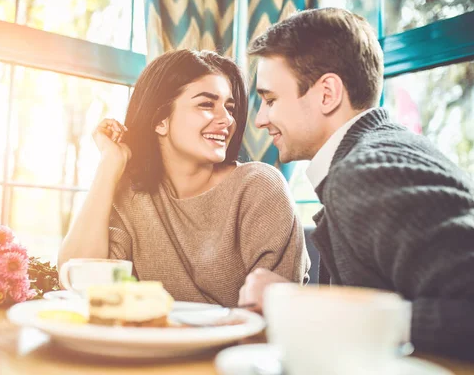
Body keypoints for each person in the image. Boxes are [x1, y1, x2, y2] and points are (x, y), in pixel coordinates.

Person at [238, 7, 474, 360]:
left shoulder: (368, 171)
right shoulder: (377, 154)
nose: (259, 119)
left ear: (327, 93)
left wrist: (304, 306)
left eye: (270, 99)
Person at [59, 49, 309, 307]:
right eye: (206, 104)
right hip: (149, 344)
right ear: (160, 121)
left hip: (238, 346)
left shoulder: (259, 187)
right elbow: (78, 282)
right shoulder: (133, 196)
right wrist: (109, 165)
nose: (227, 120)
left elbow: (277, 309)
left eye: (230, 107)